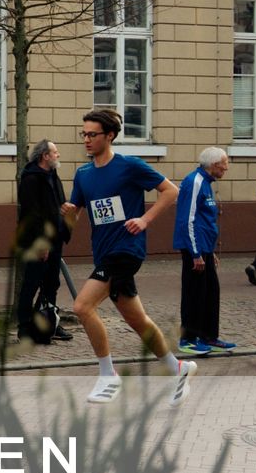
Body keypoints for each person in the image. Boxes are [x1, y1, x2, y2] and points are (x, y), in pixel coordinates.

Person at [59, 108, 197, 405]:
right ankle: (178, 367)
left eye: (92, 134)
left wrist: (145, 220)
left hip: (127, 250)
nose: (86, 139)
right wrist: (69, 214)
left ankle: (108, 375)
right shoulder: (83, 174)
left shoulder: (129, 166)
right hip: (104, 252)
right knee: (137, 320)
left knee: (82, 306)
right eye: (83, 134)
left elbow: (171, 191)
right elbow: (78, 213)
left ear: (109, 136)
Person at [174, 147, 237, 356]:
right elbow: (187, 219)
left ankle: (209, 335)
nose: (226, 167)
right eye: (224, 163)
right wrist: (195, 253)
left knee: (211, 292)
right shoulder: (195, 182)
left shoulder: (206, 183)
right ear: (213, 164)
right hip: (195, 249)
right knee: (194, 293)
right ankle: (188, 339)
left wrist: (209, 251)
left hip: (204, 249)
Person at [13, 139, 74, 344]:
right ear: (44, 156)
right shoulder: (31, 179)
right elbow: (32, 214)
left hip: (55, 239)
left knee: (51, 284)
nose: (58, 155)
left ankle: (49, 323)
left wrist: (64, 213)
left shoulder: (52, 175)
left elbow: (54, 205)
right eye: (55, 152)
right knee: (31, 284)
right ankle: (24, 328)